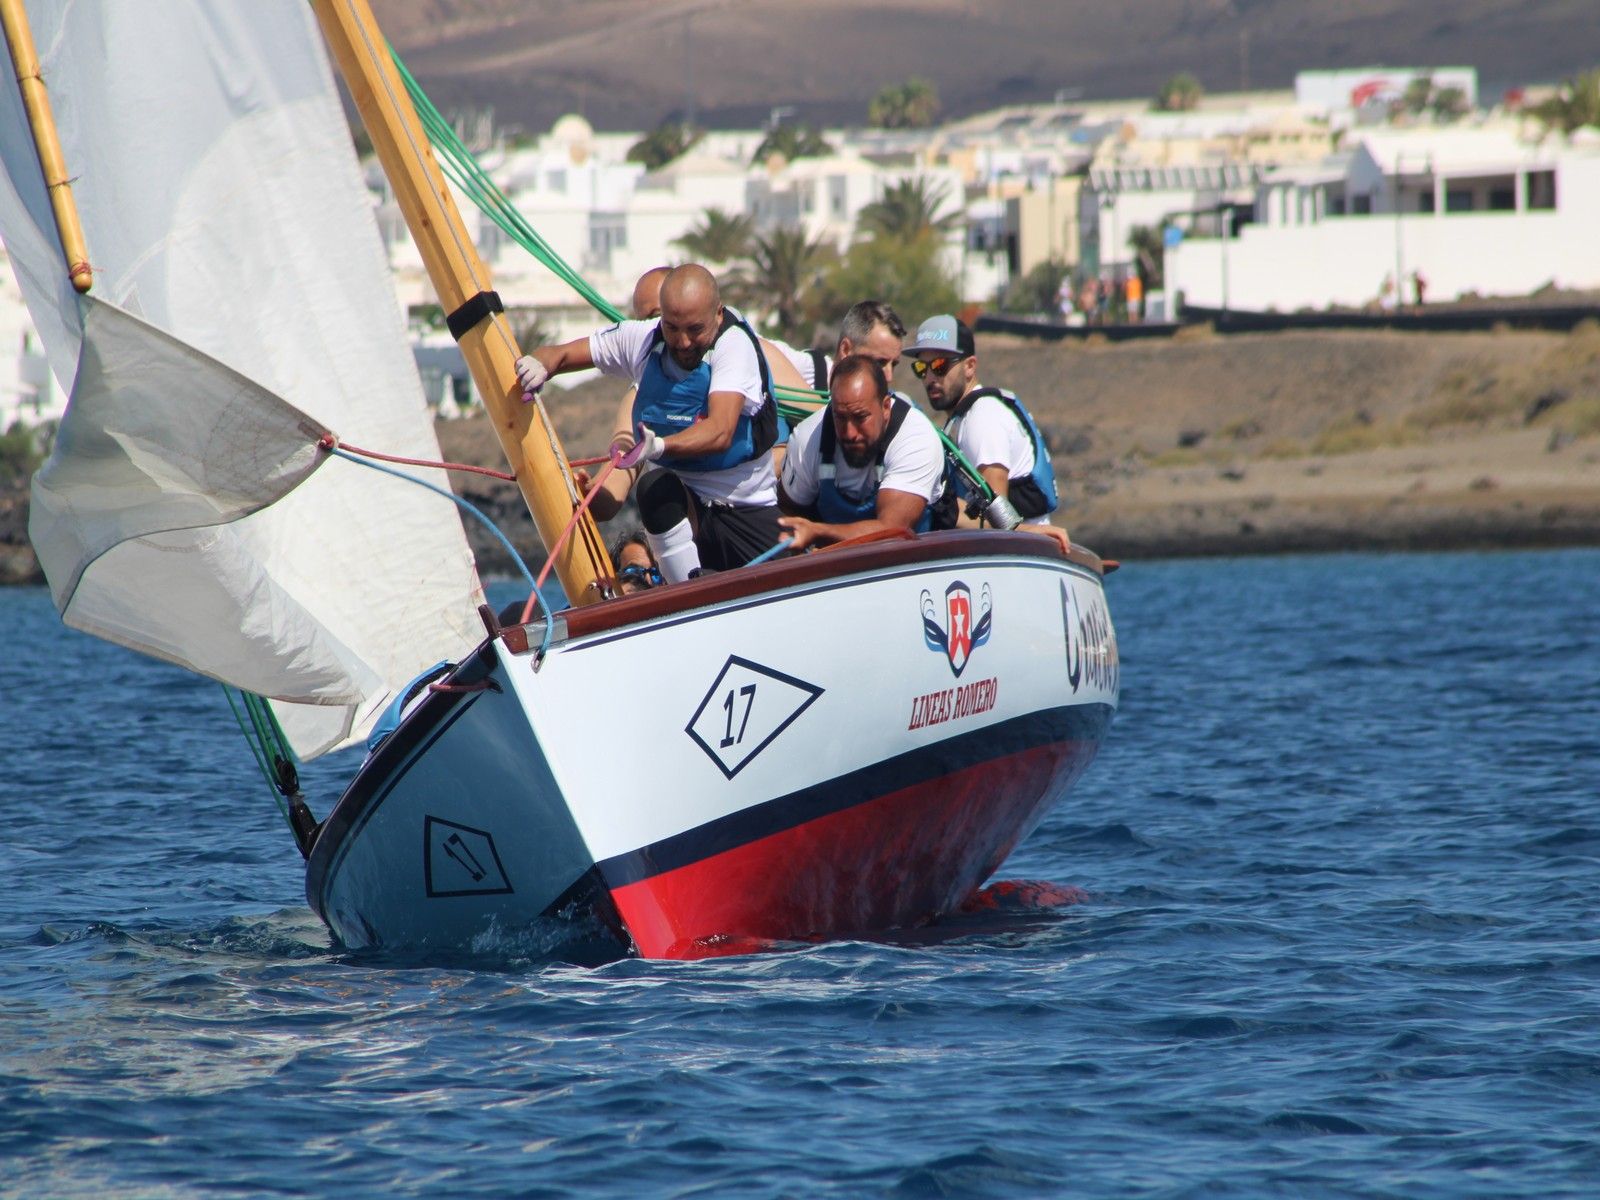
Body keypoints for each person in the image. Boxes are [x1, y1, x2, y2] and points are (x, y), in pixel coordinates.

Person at [516, 263, 782, 581]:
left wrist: (660, 446)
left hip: (745, 508)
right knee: (654, 486)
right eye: (672, 328)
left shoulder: (734, 347)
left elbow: (721, 432)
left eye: (695, 330)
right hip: (685, 514)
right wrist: (540, 365)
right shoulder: (642, 340)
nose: (683, 342)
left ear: (718, 315)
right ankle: (684, 597)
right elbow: (559, 353)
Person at [905, 314, 1071, 553]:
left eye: (939, 366)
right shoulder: (965, 418)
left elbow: (998, 519)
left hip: (1023, 553)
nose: (930, 378)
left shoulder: (982, 418)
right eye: (921, 368)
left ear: (970, 366)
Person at [776, 355, 945, 550]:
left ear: (886, 407)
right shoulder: (807, 438)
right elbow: (788, 510)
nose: (850, 433)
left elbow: (893, 531)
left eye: (860, 417)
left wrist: (818, 532)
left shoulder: (916, 438)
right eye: (840, 417)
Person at [772, 299, 906, 392]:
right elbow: (755, 346)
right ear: (846, 349)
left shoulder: (888, 408)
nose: (889, 377)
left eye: (893, 365)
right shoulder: (811, 371)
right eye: (879, 362)